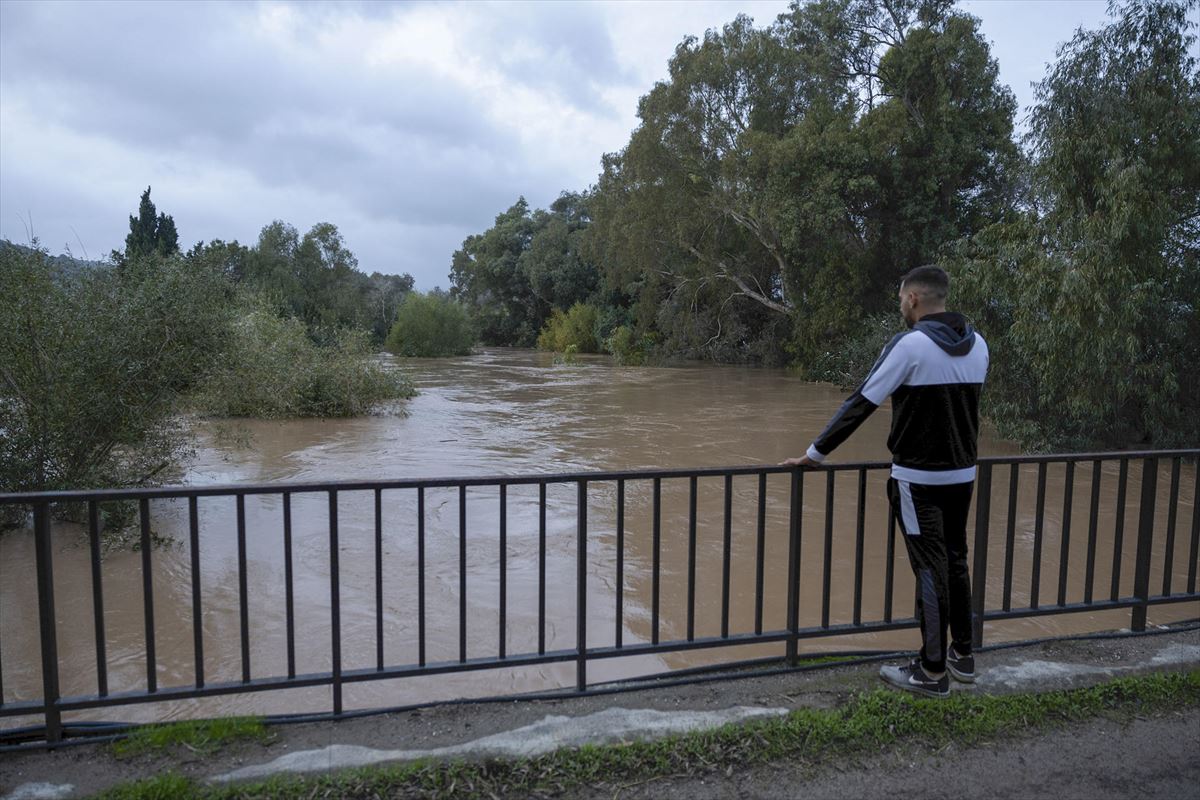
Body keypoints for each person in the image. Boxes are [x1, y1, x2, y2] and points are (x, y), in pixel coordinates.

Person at [782, 265, 989, 698]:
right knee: (955, 560)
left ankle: (932, 673)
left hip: (918, 479)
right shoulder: (979, 345)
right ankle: (963, 656)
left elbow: (861, 403)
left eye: (901, 299)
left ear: (914, 298)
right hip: (963, 474)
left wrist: (814, 454)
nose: (900, 306)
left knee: (930, 570)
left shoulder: (910, 346)